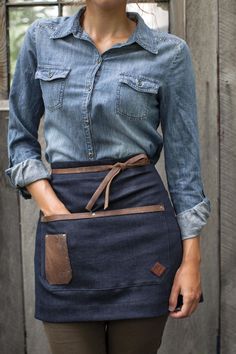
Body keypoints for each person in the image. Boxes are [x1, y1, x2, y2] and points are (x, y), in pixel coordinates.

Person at [4, 0, 211, 353]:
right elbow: (20, 139)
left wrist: (192, 261)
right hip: (64, 229)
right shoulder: (42, 40)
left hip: (143, 234)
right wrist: (53, 209)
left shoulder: (169, 53)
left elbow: (184, 163)